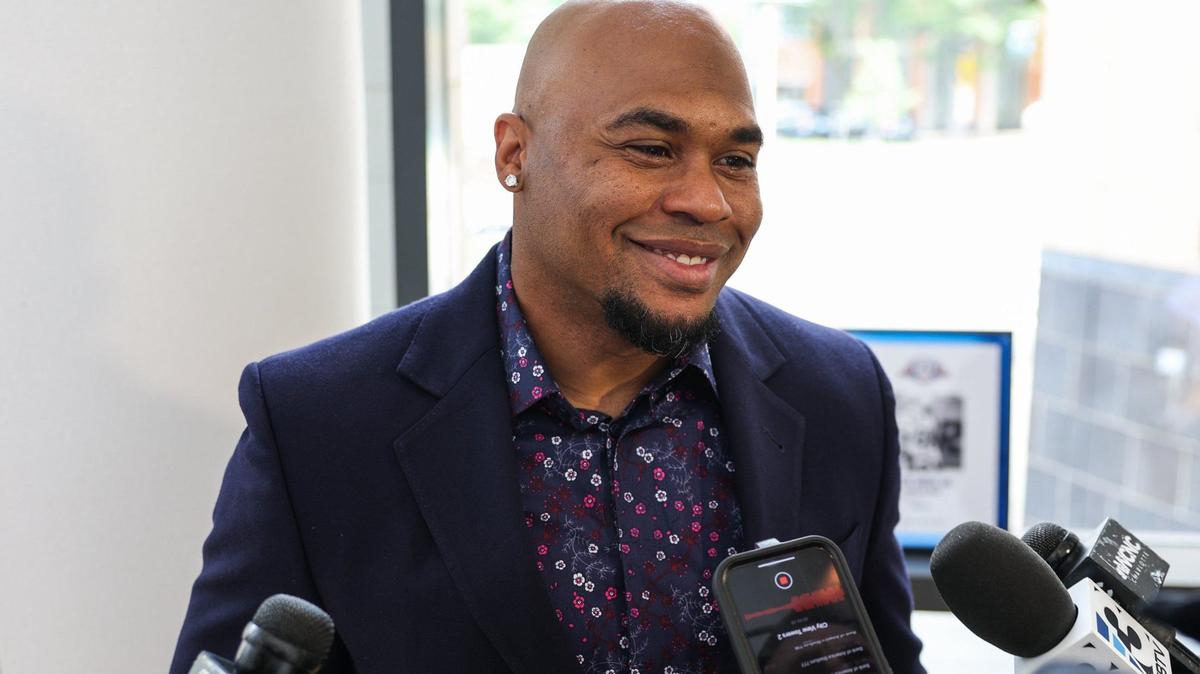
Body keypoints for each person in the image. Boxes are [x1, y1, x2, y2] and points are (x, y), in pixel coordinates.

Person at [169, 1, 926, 673]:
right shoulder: (319, 421)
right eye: (651, 149)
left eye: (735, 161)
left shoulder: (838, 393)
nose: (707, 200)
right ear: (514, 153)